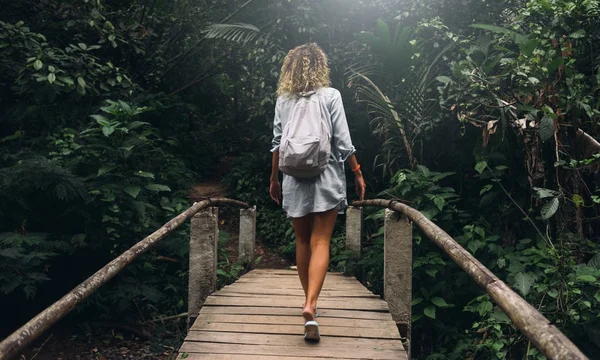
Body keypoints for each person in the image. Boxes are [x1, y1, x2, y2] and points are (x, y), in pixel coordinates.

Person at [269, 43, 366, 341]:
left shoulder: (284, 100)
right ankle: (311, 304)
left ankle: (308, 303)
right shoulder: (331, 96)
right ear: (320, 66)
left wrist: (274, 178)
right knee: (321, 241)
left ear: (291, 68)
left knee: (302, 240)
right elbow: (343, 140)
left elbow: (276, 143)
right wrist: (357, 172)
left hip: (293, 178)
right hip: (327, 175)